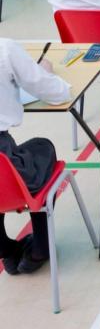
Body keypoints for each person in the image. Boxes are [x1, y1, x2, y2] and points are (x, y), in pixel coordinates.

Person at [0, 39, 70, 275]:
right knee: (43, 148)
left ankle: (5, 249)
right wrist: (43, 72)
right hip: (4, 167)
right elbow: (57, 93)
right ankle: (41, 246)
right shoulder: (5, 49)